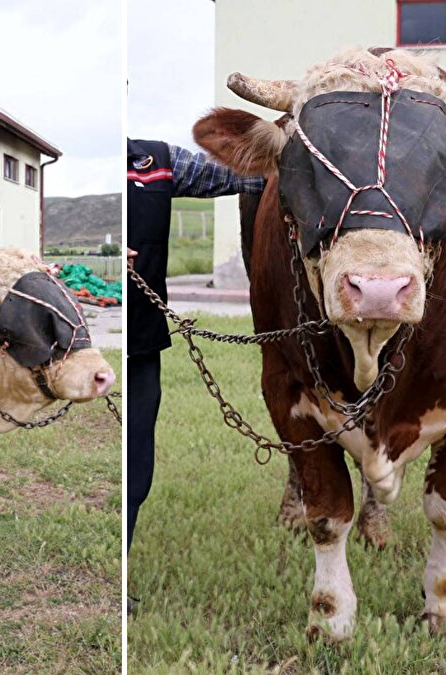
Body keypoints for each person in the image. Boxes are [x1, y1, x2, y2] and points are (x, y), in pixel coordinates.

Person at [126, 139, 266, 602]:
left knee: (136, 467)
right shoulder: (82, 169)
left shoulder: (157, 162)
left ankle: (118, 573)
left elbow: (244, 174)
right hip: (89, 352)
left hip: (142, 344)